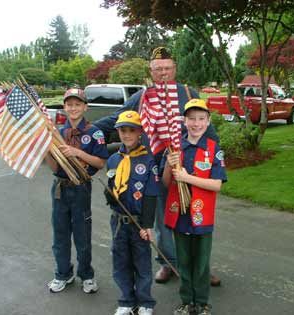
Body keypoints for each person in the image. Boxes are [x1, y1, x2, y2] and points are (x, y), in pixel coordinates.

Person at [94, 47, 221, 286]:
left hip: (190, 170)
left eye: (167, 68)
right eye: (158, 69)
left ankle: (200, 267)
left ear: (174, 69)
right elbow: (118, 119)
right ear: (151, 72)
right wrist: (89, 131)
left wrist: (215, 158)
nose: (163, 73)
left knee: (195, 219)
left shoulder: (187, 92)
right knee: (163, 220)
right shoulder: (142, 98)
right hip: (156, 171)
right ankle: (168, 262)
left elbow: (208, 129)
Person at [162, 99, 227, 315]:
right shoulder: (175, 148)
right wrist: (170, 167)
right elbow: (165, 182)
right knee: (184, 261)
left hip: (202, 216)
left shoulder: (213, 150)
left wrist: (187, 178)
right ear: (184, 121)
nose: (196, 123)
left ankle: (202, 302)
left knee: (201, 263)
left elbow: (216, 185)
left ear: (208, 122)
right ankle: (186, 300)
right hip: (180, 214)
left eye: (201, 119)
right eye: (191, 119)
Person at [44, 88, 109, 294]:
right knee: (60, 234)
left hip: (81, 188)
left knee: (82, 235)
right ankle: (63, 273)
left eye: (77, 104)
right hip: (60, 189)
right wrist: (47, 151)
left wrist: (77, 152)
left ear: (85, 107)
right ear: (64, 107)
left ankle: (87, 275)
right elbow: (55, 169)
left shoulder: (94, 132)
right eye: (69, 104)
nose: (73, 108)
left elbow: (100, 162)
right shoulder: (58, 133)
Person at [105, 110, 158, 315]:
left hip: (138, 223)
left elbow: (151, 196)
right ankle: (126, 301)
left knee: (142, 263)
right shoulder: (113, 160)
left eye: (131, 131)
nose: (126, 135)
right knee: (120, 262)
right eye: (122, 131)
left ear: (139, 133)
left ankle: (145, 302)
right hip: (118, 221)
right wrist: (109, 194)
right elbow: (112, 185)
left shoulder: (148, 161)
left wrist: (147, 225)